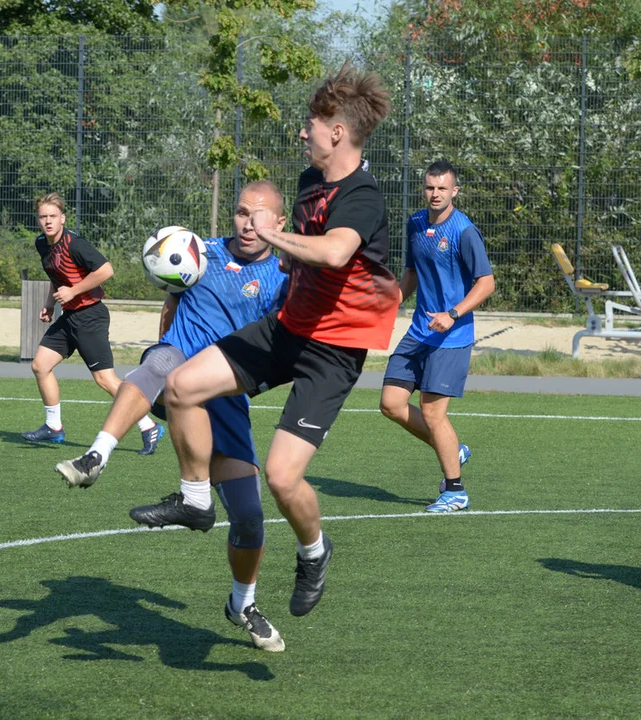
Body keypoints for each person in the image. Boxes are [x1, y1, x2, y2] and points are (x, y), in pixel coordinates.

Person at [130, 62, 397, 619]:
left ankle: (314, 551)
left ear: (337, 132)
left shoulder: (363, 196)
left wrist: (273, 232)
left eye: (310, 125)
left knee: (280, 475)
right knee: (180, 387)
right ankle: (197, 499)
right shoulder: (306, 183)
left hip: (333, 350)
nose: (302, 133)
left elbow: (334, 252)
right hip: (286, 330)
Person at [55, 181, 290, 651]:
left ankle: (243, 604)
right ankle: (96, 456)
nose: (247, 223)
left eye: (259, 216)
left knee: (248, 517)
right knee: (159, 363)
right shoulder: (196, 250)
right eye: (241, 213)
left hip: (226, 400)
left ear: (280, 224)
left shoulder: (285, 281)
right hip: (176, 374)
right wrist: (169, 320)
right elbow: (172, 286)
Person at [379, 160, 495, 512]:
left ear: (454, 191)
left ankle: (455, 490)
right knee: (391, 404)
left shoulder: (464, 231)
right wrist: (395, 300)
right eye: (430, 187)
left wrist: (453, 314)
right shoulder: (415, 223)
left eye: (442, 188)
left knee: (432, 413)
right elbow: (411, 272)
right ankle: (452, 450)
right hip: (419, 332)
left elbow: (487, 283)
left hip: (452, 336)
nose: (435, 194)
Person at [22, 193, 161, 451]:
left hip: (90, 316)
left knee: (105, 380)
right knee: (40, 365)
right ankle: (53, 427)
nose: (48, 221)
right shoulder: (42, 243)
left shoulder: (75, 244)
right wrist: (50, 304)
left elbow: (106, 270)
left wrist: (73, 291)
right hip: (69, 317)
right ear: (38, 220)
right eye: (43, 217)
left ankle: (149, 426)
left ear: (63, 218)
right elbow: (57, 274)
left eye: (53, 216)